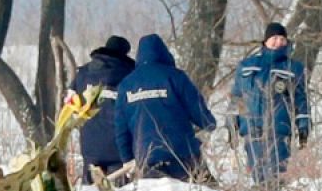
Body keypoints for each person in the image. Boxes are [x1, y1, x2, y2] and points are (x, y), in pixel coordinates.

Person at [114, 34, 216, 181]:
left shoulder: (126, 85)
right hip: (182, 155)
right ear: (164, 53)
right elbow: (197, 110)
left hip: (146, 157)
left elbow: (120, 128)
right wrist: (210, 124)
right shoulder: (176, 77)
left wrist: (127, 158)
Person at [233, 22, 310, 187]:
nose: (278, 42)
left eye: (282, 38)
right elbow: (237, 97)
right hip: (252, 130)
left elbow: (302, 100)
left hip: (278, 130)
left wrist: (303, 125)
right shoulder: (246, 66)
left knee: (276, 175)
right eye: (274, 38)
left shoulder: (293, 68)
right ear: (265, 40)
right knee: (258, 174)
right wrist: (232, 124)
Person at [67, 35, 136, 180]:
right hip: (119, 150)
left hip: (90, 148)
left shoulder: (83, 73)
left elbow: (70, 103)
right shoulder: (129, 75)